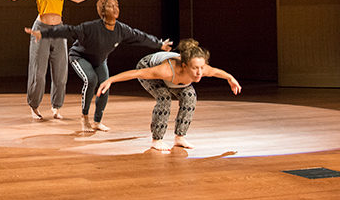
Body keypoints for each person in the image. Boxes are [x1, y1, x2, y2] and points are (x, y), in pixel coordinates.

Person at [0, 0, 112, 120]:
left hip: (59, 30)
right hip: (41, 30)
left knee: (60, 71)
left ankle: (56, 107)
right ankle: (34, 106)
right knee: (39, 71)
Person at [26, 0, 172, 132]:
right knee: (91, 79)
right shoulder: (92, 27)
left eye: (116, 5)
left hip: (99, 60)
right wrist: (44, 33)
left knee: (105, 85)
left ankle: (97, 121)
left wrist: (159, 44)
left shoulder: (121, 29)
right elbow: (69, 30)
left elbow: (139, 36)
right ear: (102, 11)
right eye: (110, 6)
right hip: (79, 57)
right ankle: (84, 118)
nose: (115, 9)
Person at [97, 38, 241, 152]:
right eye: (195, 68)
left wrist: (231, 78)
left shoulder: (202, 69)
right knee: (164, 98)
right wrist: (110, 80)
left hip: (176, 79)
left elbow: (217, 72)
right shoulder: (166, 70)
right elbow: (136, 73)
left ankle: (180, 137)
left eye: (202, 68)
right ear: (185, 66)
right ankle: (157, 139)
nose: (199, 73)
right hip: (148, 66)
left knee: (190, 97)